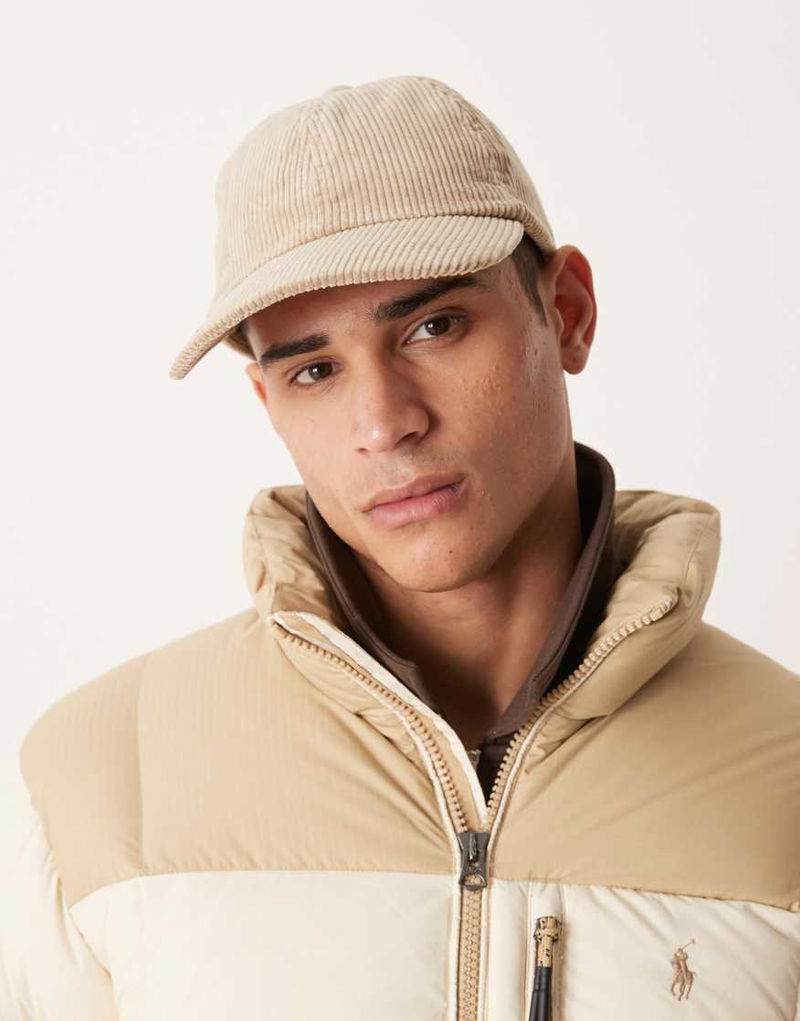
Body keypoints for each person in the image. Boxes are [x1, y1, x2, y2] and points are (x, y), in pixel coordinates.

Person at [1, 74, 798, 1021]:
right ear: (267, 402)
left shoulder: (784, 777)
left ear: (568, 311)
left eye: (434, 326)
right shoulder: (95, 780)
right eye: (314, 370)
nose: (383, 423)